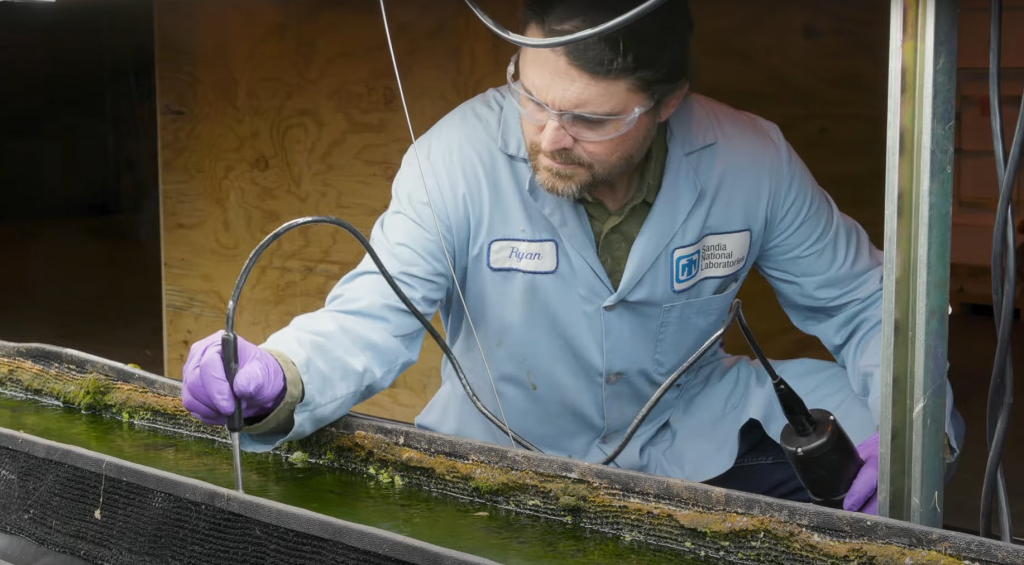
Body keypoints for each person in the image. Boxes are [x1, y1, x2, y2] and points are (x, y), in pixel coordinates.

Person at [181, 0, 964, 514]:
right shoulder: (452, 160)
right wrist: (281, 375)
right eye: (532, 96)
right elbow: (373, 318)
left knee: (866, 433)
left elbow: (867, 305)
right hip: (500, 452)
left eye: (589, 119)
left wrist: (915, 439)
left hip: (693, 436)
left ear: (666, 104)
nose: (548, 136)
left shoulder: (751, 158)